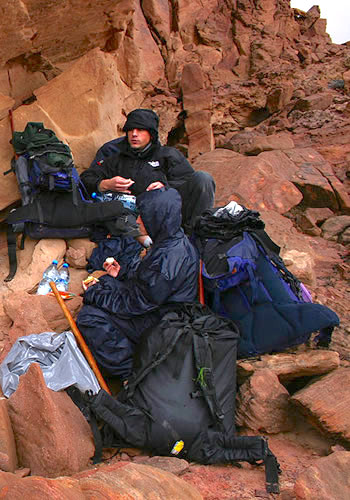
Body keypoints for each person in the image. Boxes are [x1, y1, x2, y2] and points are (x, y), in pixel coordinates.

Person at [76, 187, 199, 380]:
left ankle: (129, 374)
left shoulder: (167, 260)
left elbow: (135, 303)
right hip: (160, 306)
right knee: (106, 282)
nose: (139, 221)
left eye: (144, 217)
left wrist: (95, 294)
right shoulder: (172, 240)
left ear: (159, 218)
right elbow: (147, 280)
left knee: (90, 317)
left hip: (162, 322)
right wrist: (122, 272)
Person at [81, 108, 215, 231]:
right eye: (130, 130)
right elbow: (86, 178)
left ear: (151, 134)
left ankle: (198, 235)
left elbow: (188, 183)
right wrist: (105, 184)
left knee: (203, 179)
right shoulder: (116, 159)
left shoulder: (168, 155)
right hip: (135, 219)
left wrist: (166, 188)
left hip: (171, 214)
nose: (134, 134)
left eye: (140, 130)